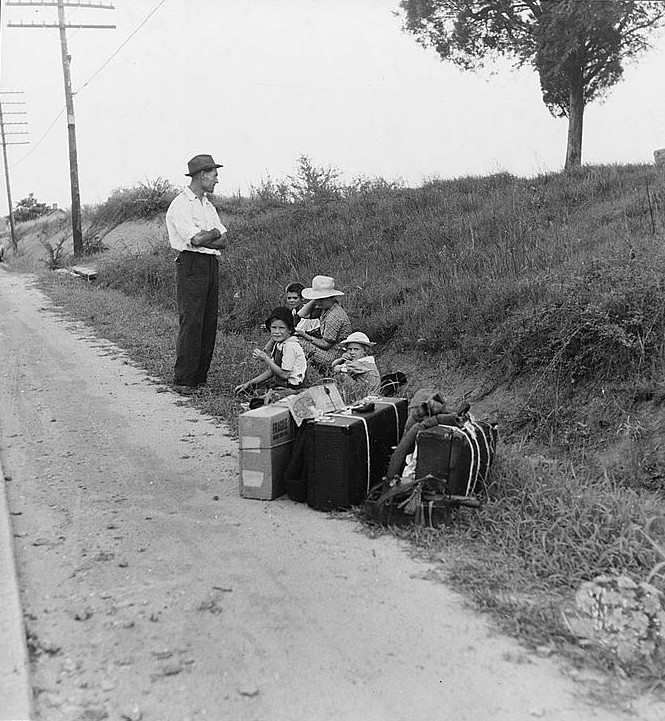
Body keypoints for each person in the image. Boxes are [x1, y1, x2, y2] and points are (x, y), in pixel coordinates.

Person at [165, 154, 227, 395]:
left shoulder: (207, 205)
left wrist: (207, 236)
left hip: (210, 263)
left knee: (209, 321)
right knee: (192, 321)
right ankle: (184, 380)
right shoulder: (180, 205)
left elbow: (223, 240)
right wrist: (210, 234)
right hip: (191, 264)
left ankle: (200, 378)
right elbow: (196, 239)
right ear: (202, 175)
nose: (216, 180)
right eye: (214, 175)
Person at [235, 307, 307, 394]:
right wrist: (249, 383)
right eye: (274, 327)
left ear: (290, 329)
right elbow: (272, 371)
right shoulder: (279, 344)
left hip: (292, 386)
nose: (277, 331)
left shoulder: (290, 346)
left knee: (262, 395)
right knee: (252, 389)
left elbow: (285, 375)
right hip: (281, 384)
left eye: (281, 328)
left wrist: (266, 358)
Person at [295, 275, 351, 372]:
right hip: (330, 351)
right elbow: (302, 314)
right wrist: (315, 299)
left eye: (322, 298)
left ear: (331, 297)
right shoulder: (326, 308)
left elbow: (326, 344)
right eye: (316, 298)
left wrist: (305, 335)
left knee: (296, 342)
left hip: (335, 356)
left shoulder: (334, 315)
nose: (318, 302)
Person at [331, 331, 381, 400]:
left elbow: (335, 368)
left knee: (342, 375)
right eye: (349, 349)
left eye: (356, 349)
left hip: (367, 396)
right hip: (369, 393)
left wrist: (341, 363)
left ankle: (344, 398)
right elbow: (333, 365)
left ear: (365, 351)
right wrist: (342, 359)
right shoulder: (369, 361)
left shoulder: (362, 363)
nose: (352, 352)